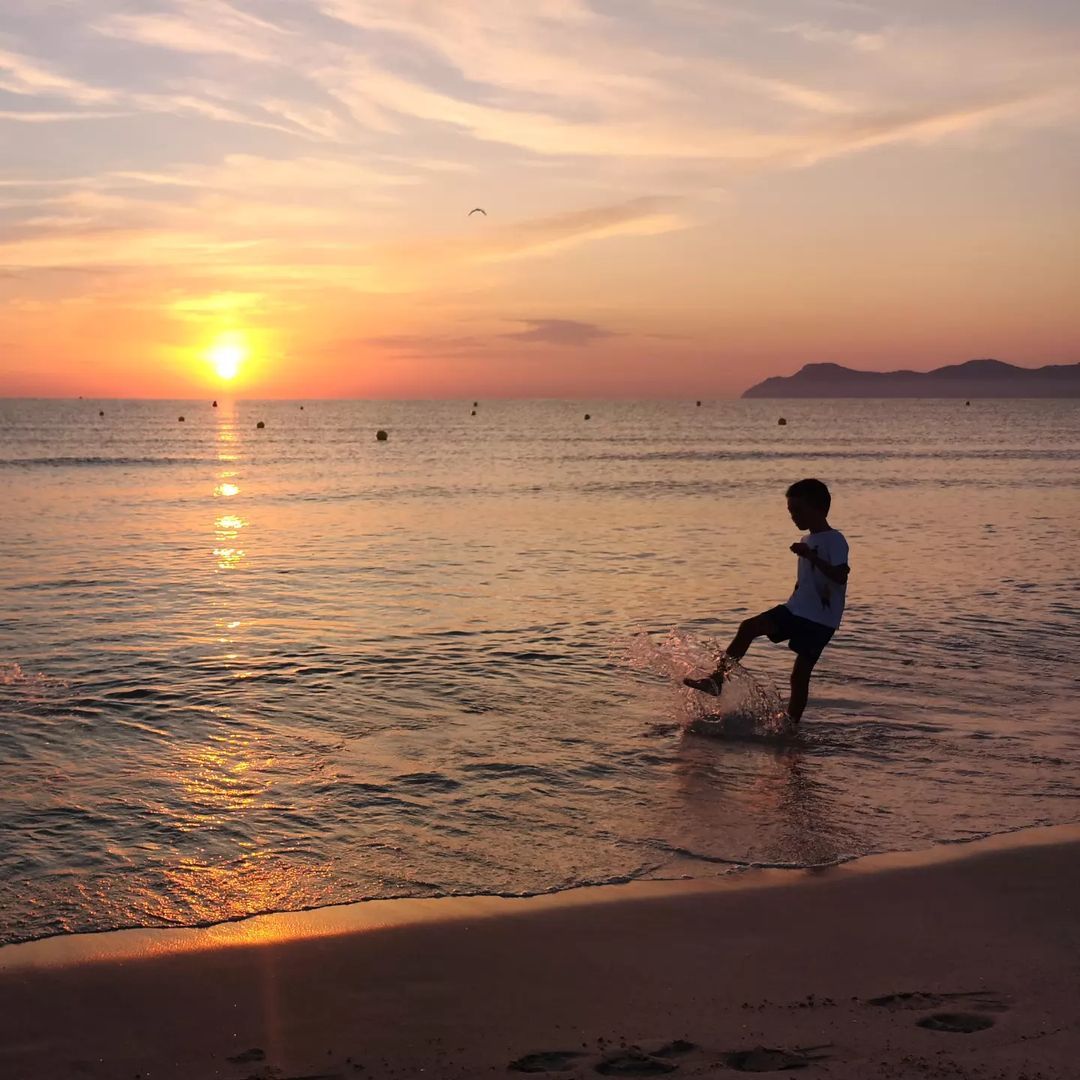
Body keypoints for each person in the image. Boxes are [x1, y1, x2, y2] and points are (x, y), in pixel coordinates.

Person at [683, 478, 850, 723]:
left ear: (819, 509)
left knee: (799, 676)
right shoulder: (807, 541)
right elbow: (807, 582)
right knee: (749, 627)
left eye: (798, 511)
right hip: (797, 609)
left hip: (820, 620)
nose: (794, 517)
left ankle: (790, 725)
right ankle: (716, 681)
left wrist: (811, 557)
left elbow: (840, 575)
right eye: (791, 511)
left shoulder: (834, 540)